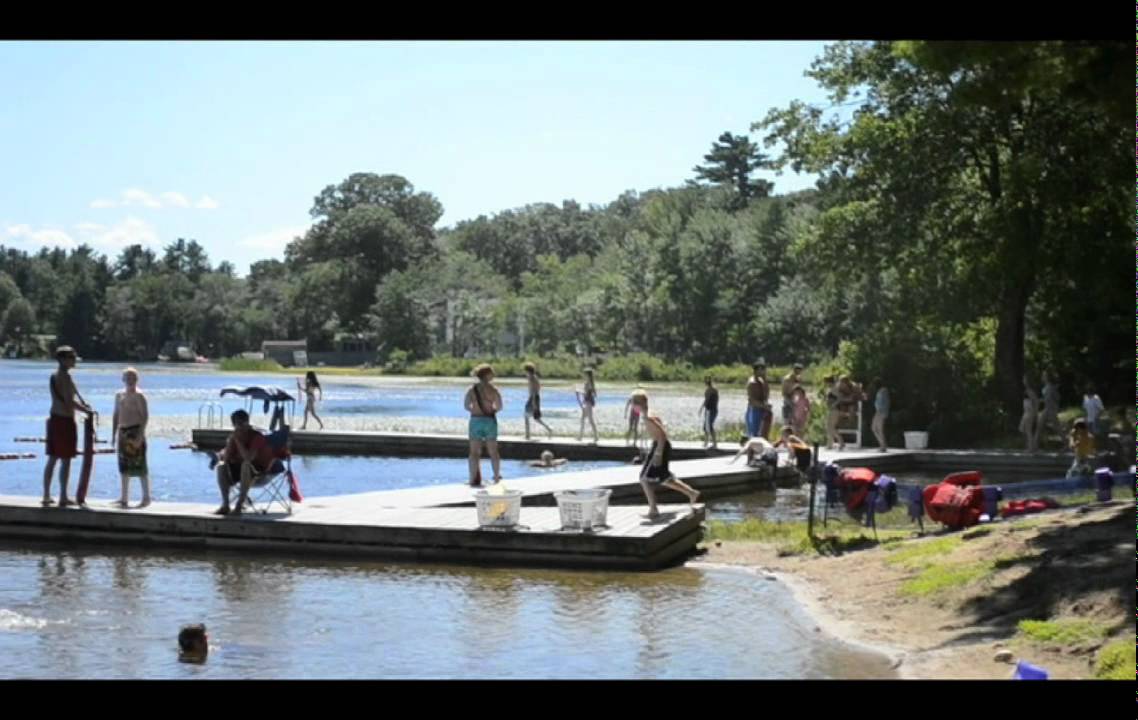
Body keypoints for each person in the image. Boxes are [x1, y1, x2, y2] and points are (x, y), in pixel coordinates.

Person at [42, 346, 95, 508]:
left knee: (52, 458)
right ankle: (63, 496)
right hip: (64, 421)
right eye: (71, 358)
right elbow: (68, 402)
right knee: (65, 460)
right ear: (63, 360)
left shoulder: (56, 376)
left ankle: (46, 495)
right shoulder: (63, 377)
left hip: (54, 419)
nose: (73, 360)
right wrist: (85, 410)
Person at [213, 410, 275, 516]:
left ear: (247, 422)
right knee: (221, 466)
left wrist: (238, 441)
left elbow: (248, 458)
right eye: (237, 424)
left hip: (258, 472)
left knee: (245, 465)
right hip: (239, 472)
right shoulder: (235, 436)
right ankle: (225, 505)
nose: (240, 427)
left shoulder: (257, 436)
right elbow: (226, 459)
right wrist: (231, 442)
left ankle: (239, 505)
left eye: (243, 423)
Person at [638, 413, 700, 519]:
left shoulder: (649, 419)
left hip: (659, 447)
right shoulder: (648, 418)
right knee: (663, 477)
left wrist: (658, 453)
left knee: (644, 478)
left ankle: (653, 510)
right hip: (660, 446)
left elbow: (662, 435)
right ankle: (691, 493)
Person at [111, 367, 151, 508]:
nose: (130, 381)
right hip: (123, 432)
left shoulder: (139, 395)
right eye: (128, 378)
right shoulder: (119, 395)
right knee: (124, 467)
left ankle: (146, 497)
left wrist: (140, 435)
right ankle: (124, 498)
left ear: (137, 380)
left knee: (140, 465)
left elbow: (145, 416)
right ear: (123, 379)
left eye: (133, 378)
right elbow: (116, 415)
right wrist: (113, 434)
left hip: (135, 431)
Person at [464, 363, 503, 487]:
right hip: (489, 421)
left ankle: (471, 478)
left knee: (474, 452)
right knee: (493, 452)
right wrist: (492, 410)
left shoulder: (471, 390)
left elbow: (466, 406)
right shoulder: (493, 390)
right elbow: (500, 406)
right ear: (487, 375)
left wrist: (474, 409)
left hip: (475, 421)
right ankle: (496, 477)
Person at [523, 361, 553, 440]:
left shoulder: (532, 379)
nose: (525, 373)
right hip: (535, 397)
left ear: (528, 371)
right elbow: (538, 389)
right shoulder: (534, 378)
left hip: (533, 398)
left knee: (527, 416)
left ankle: (528, 435)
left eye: (525, 371)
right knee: (535, 417)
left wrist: (533, 401)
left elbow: (534, 390)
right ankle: (548, 429)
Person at [1035, 370, 1061, 449]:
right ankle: (1034, 446)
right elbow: (1046, 398)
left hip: (1050, 409)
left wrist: (1039, 400)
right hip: (1046, 409)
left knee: (1056, 427)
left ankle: (1068, 444)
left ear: (1047, 377)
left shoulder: (1050, 387)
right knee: (1039, 427)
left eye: (1044, 375)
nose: (1042, 377)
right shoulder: (1046, 387)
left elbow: (1053, 398)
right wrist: (1040, 400)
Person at [745, 360, 770, 439]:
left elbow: (766, 395)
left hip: (761, 409)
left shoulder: (761, 381)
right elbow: (752, 400)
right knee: (754, 434)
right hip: (754, 410)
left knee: (761, 434)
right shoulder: (752, 382)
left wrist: (765, 380)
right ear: (757, 370)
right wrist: (763, 406)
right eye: (762, 369)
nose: (764, 371)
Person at [576, 368, 599, 444]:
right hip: (587, 402)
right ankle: (580, 436)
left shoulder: (588, 383)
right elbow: (594, 393)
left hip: (588, 403)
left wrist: (579, 392)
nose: (583, 375)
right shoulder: (590, 383)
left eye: (585, 374)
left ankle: (596, 436)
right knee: (582, 419)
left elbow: (588, 393)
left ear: (587, 375)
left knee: (590, 419)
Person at [1019, 375, 1040, 452]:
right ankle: (1031, 446)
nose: (1023, 380)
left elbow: (1036, 401)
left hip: (1029, 412)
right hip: (1026, 412)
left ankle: (1031, 448)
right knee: (1022, 429)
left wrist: (1035, 413)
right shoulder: (1027, 390)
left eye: (1024, 379)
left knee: (1028, 430)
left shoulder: (1030, 391)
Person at [780, 363, 804, 428]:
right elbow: (784, 393)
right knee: (787, 422)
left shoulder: (798, 379)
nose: (800, 372)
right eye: (799, 370)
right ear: (795, 370)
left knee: (795, 422)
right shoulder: (787, 379)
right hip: (788, 402)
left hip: (795, 402)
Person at [699, 376, 719, 449]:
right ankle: (707, 443)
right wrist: (701, 409)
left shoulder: (710, 390)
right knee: (707, 426)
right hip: (711, 410)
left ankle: (714, 444)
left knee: (709, 427)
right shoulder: (714, 389)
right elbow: (706, 400)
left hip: (710, 410)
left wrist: (701, 409)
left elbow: (706, 400)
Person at [871, 377, 890, 452]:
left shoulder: (883, 391)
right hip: (879, 411)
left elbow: (884, 403)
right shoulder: (881, 391)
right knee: (874, 428)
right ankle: (882, 444)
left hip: (881, 412)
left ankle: (883, 446)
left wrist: (881, 411)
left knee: (879, 429)